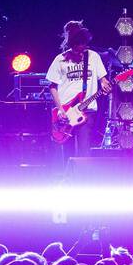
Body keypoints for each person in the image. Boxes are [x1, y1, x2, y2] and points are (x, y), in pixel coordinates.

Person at [47, 20, 110, 161]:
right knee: (67, 153)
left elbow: (103, 79)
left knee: (84, 151)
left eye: (83, 44)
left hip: (87, 110)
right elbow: (52, 86)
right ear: (71, 44)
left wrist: (105, 83)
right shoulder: (60, 59)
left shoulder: (93, 57)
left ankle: (83, 174)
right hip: (65, 113)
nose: (80, 49)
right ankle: (67, 175)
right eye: (77, 45)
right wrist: (60, 110)